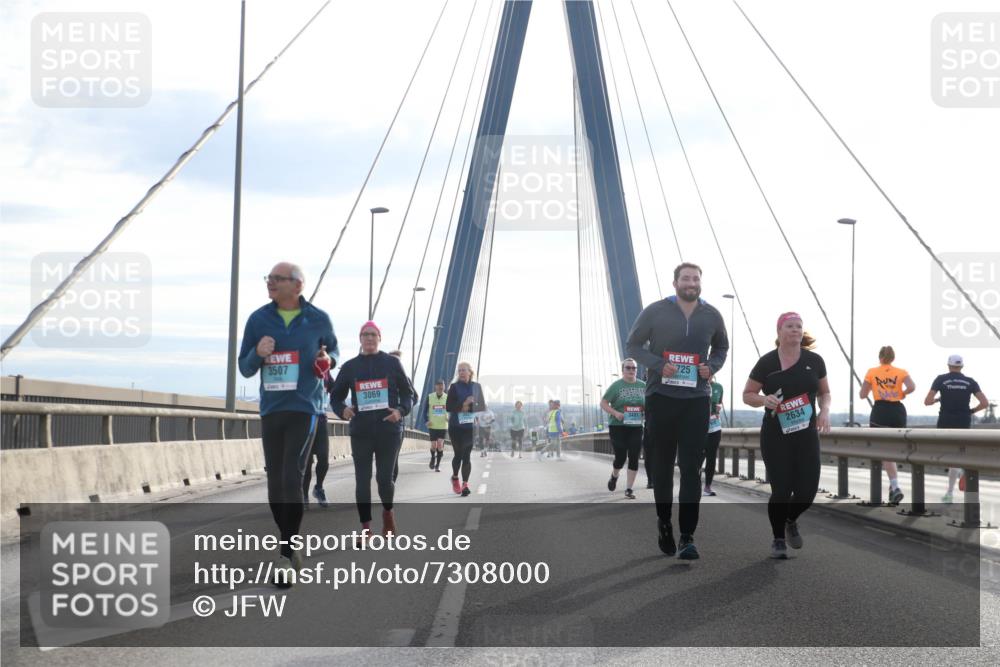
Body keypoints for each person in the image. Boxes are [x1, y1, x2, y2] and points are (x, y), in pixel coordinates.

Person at [238, 262, 338, 586]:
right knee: (274, 484)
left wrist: (327, 361)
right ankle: (290, 541)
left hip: (304, 408)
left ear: (297, 285)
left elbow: (332, 353)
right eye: (268, 278)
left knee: (291, 477)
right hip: (271, 410)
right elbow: (244, 367)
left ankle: (284, 554)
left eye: (277, 279)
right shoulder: (258, 319)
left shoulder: (318, 319)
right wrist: (257, 351)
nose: (270, 283)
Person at [625, 262, 729, 560]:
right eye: (686, 278)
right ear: (675, 283)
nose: (691, 283)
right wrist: (658, 364)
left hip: (697, 400)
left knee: (691, 470)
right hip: (661, 398)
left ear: (700, 282)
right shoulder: (655, 311)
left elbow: (722, 348)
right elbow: (633, 345)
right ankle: (664, 523)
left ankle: (687, 536)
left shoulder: (712, 314)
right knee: (661, 467)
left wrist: (713, 367)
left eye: (696, 278)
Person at [743, 312, 831, 560]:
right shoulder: (767, 362)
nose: (795, 330)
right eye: (790, 326)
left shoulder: (815, 361)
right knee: (781, 490)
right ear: (779, 331)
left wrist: (824, 411)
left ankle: (791, 519)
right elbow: (747, 394)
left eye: (799, 326)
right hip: (775, 435)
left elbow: (825, 393)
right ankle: (778, 538)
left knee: (807, 492)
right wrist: (763, 399)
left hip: (806, 435)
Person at [329, 322, 412, 539]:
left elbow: (408, 393)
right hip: (361, 431)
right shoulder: (350, 367)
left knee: (384, 480)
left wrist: (400, 411)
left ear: (379, 338)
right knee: (362, 480)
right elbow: (335, 397)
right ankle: (366, 529)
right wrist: (342, 410)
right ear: (360, 339)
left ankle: (388, 514)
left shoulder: (392, 363)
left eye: (373, 335)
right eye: (365, 335)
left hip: (388, 431)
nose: (369, 338)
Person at [924, 354, 989, 503]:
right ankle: (951, 489)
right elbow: (984, 403)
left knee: (948, 455)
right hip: (963, 422)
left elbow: (927, 401)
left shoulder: (941, 379)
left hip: (945, 422)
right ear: (961, 367)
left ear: (948, 366)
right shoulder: (970, 382)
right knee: (957, 453)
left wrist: (937, 400)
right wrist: (971, 411)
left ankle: (951, 490)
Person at [859, 346, 915, 505]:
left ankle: (895, 486)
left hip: (880, 411)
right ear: (893, 357)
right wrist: (901, 393)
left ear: (880, 357)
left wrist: (872, 387)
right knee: (892, 450)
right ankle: (893, 487)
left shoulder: (872, 372)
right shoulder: (901, 371)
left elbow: (862, 395)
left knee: (885, 451)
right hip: (898, 411)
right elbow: (912, 387)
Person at [601, 358, 646, 499]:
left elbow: (648, 404)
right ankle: (614, 476)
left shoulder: (643, 386)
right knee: (620, 457)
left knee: (634, 456)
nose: (631, 370)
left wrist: (645, 410)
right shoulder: (616, 386)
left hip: (636, 426)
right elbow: (603, 403)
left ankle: (629, 489)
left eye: (634, 368)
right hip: (618, 426)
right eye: (628, 368)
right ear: (623, 370)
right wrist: (615, 413)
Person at [446, 361, 487, 497]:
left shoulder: (477, 387)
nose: (462, 372)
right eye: (460, 370)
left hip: (470, 427)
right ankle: (455, 478)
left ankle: (465, 484)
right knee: (458, 455)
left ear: (470, 372)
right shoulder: (454, 387)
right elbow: (448, 406)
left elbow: (482, 406)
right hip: (455, 427)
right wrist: (463, 404)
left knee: (466, 456)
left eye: (464, 370)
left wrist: (471, 405)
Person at [387, 350, 418, 483]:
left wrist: (402, 408)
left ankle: (391, 484)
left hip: (398, 423)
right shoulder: (382, 378)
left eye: (397, 361)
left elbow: (414, 397)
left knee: (394, 456)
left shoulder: (406, 380)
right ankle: (385, 482)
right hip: (380, 422)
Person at [703, 375, 724, 496]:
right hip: (700, 428)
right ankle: (694, 484)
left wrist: (719, 407)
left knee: (711, 458)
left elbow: (720, 402)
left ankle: (708, 486)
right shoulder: (698, 386)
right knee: (699, 458)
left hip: (715, 427)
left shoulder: (718, 387)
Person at [423, 380, 448, 471]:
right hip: (432, 426)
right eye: (438, 386)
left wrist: (449, 417)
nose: (440, 387)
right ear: (435, 387)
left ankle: (438, 465)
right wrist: (426, 421)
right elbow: (424, 411)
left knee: (440, 445)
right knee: (433, 446)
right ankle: (433, 457)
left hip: (443, 426)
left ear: (444, 387)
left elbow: (451, 411)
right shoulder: (430, 397)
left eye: (442, 386)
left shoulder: (447, 397)